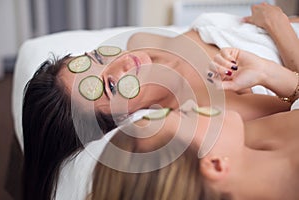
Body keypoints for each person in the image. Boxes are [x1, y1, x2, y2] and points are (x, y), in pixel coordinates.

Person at [22, 3, 295, 200]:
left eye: (99, 56)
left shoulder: (142, 40)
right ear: (125, 119)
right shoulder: (214, 115)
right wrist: (277, 25)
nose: (124, 61)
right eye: (112, 85)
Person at [89, 48, 299, 200]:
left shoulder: (253, 148)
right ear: (215, 165)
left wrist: (270, 74)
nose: (190, 106)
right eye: (184, 116)